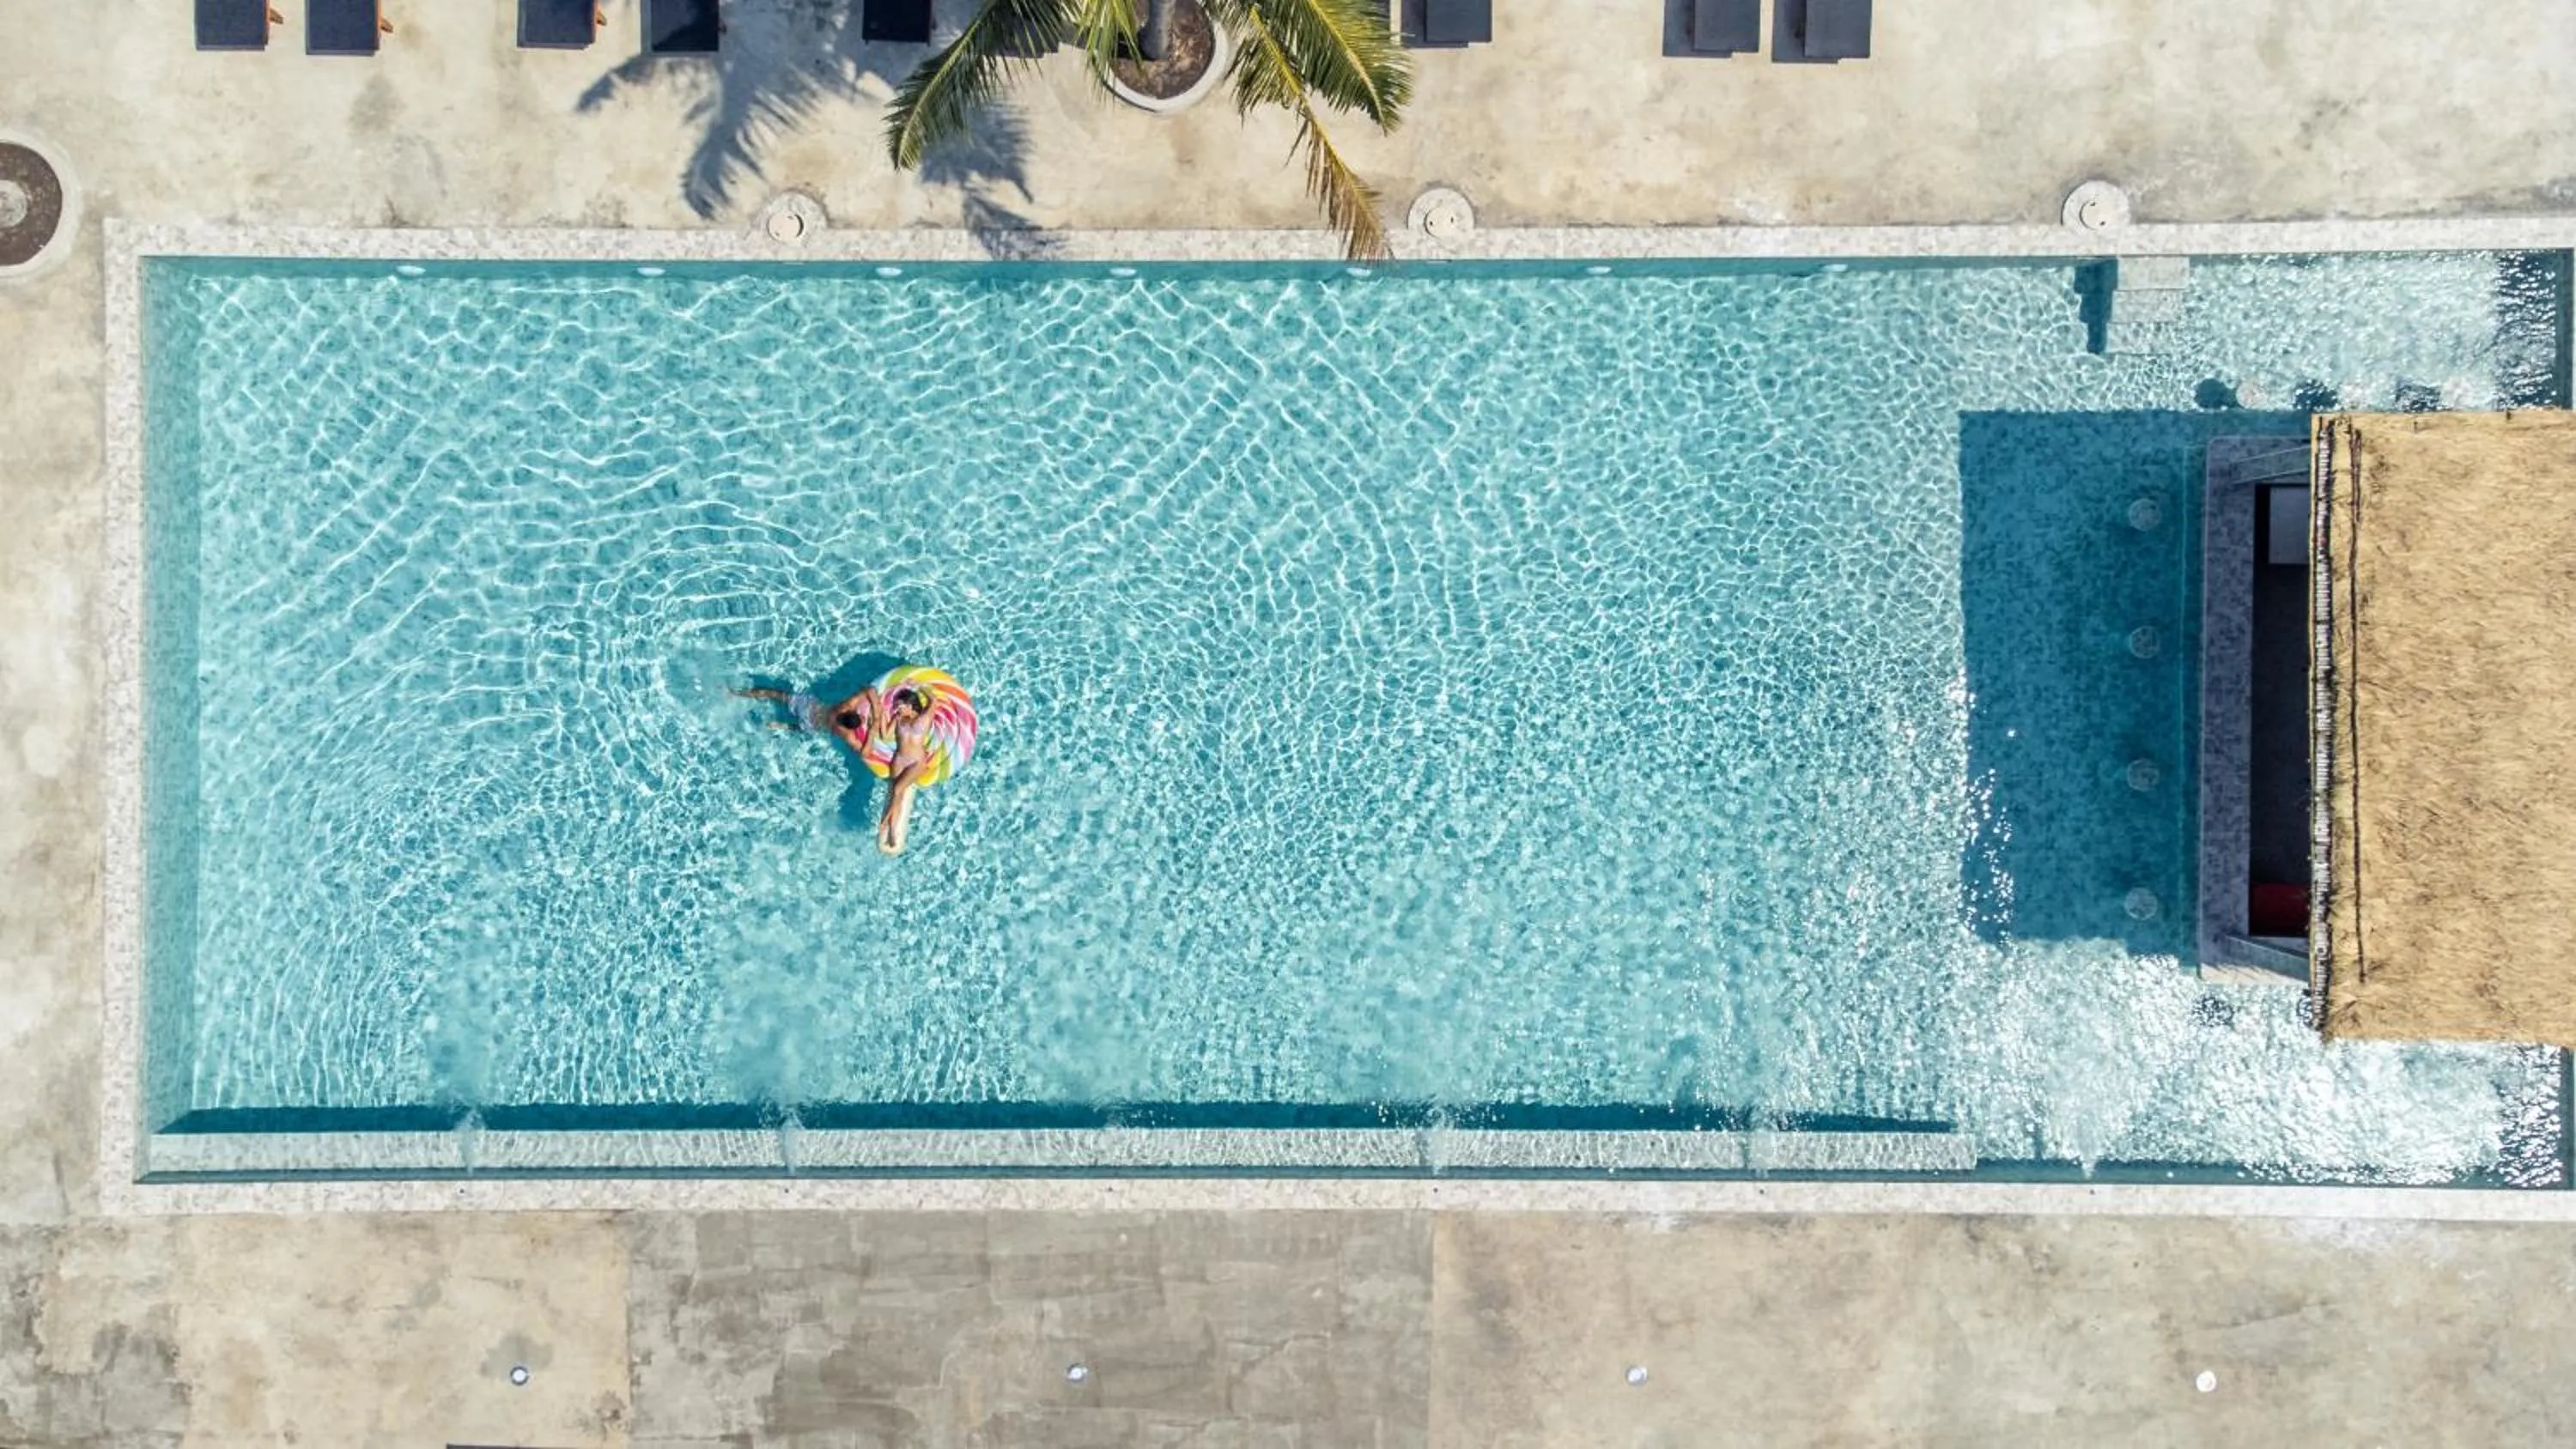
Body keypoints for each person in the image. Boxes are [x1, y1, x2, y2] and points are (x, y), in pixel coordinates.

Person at [734, 681, 936, 852]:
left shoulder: (844, 710)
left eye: (901, 706)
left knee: (778, 696)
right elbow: (869, 746)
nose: (898, 708)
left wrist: (908, 691)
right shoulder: (846, 730)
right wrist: (875, 723)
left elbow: (873, 691)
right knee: (896, 791)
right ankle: (782, 725)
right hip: (815, 727)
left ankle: (741, 693)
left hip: (809, 708)